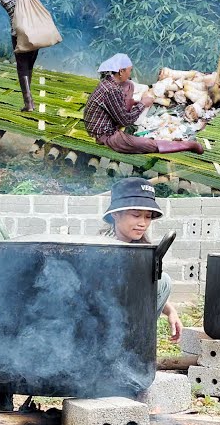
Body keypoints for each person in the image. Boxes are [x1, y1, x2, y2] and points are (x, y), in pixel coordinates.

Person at [102, 178, 182, 341]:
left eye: (148, 216)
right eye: (136, 215)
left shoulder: (141, 249)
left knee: (162, 280)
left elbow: (145, 289)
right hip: (103, 327)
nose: (143, 223)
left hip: (133, 326)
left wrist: (171, 311)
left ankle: (139, 345)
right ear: (116, 214)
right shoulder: (102, 248)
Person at [84, 53, 204, 155]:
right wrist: (142, 103)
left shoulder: (110, 82)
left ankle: (130, 118)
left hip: (109, 122)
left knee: (129, 84)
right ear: (121, 71)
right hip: (104, 133)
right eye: (129, 70)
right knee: (146, 144)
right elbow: (125, 120)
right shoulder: (112, 90)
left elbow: (115, 103)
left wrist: (136, 103)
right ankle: (189, 145)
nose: (130, 74)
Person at [0, 0, 37, 112]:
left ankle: (28, 103)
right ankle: (29, 101)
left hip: (18, 33)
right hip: (34, 30)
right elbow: (35, 1)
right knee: (29, 65)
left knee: (22, 67)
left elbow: (9, 7)